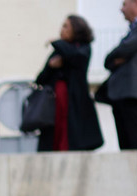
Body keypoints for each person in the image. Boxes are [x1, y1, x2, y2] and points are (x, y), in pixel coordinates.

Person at [97, 0, 137, 150]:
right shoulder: (133, 31)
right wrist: (115, 58)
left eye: (124, 4)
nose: (121, 9)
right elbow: (110, 60)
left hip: (133, 93)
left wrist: (118, 56)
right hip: (120, 94)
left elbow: (122, 50)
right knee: (126, 146)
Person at [35, 15, 103, 152]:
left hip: (75, 105)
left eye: (66, 26)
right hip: (54, 105)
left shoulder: (83, 48)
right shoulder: (57, 52)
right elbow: (40, 79)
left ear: (76, 30)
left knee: (71, 138)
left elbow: (74, 56)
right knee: (53, 139)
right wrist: (51, 66)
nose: (62, 29)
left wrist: (56, 43)